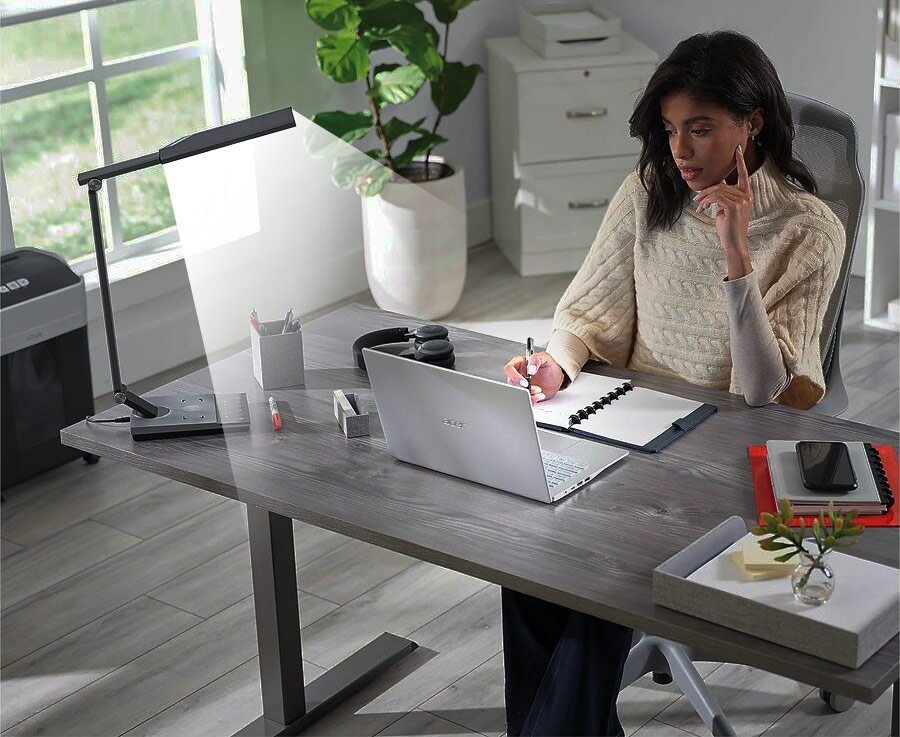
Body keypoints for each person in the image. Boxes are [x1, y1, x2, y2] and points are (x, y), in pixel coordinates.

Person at [500, 30, 846, 736]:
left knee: (593, 576)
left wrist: (735, 254)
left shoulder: (810, 229)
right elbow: (589, 316)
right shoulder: (647, 191)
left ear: (752, 124)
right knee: (528, 568)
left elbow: (763, 394)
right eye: (669, 130)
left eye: (700, 129)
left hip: (726, 458)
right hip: (630, 432)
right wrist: (556, 364)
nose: (681, 150)